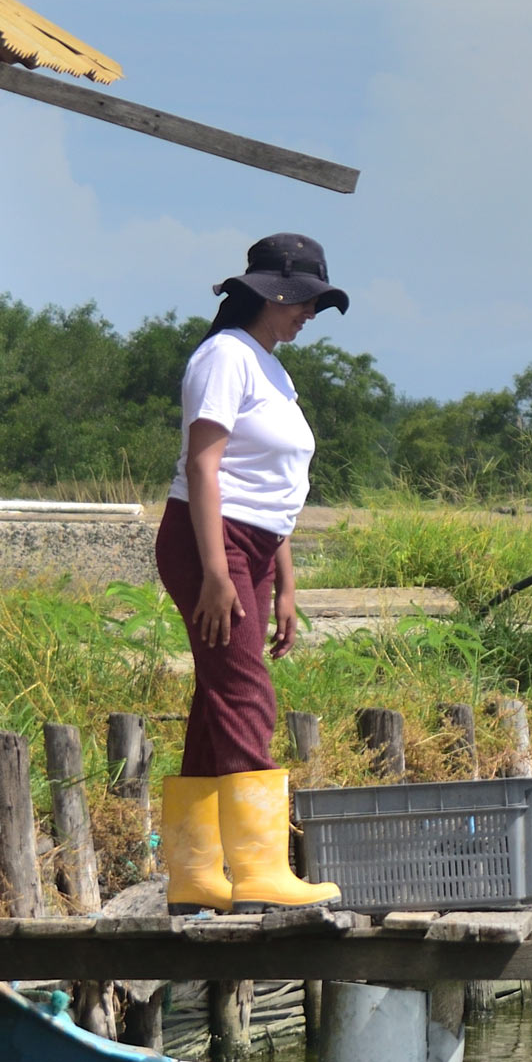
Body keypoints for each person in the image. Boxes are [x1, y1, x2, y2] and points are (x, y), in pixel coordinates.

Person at [155, 233, 349, 916]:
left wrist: (286, 580)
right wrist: (216, 571)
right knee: (246, 693)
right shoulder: (224, 356)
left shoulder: (273, 368)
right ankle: (262, 866)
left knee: (220, 697)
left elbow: (276, 486)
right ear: (272, 293)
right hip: (210, 539)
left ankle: (196, 872)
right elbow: (205, 466)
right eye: (304, 303)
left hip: (256, 546)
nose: (307, 317)